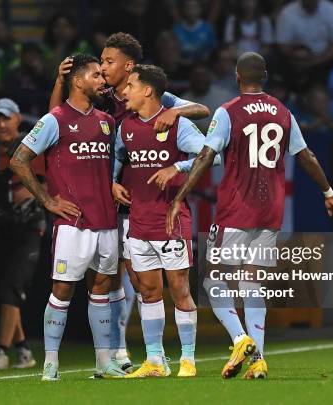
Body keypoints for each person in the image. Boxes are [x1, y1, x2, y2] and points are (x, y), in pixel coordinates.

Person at [166, 52, 333, 380]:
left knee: (214, 281)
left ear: (237, 77)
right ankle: (259, 360)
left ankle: (241, 339)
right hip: (271, 210)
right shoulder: (282, 111)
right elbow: (306, 156)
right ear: (264, 76)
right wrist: (329, 194)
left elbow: (207, 156)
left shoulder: (228, 111)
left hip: (236, 208)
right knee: (253, 283)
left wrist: (181, 194)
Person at [48, 32, 210, 373]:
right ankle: (121, 352)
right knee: (118, 278)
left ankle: (159, 355)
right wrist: (61, 81)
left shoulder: (147, 90)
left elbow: (202, 110)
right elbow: (59, 122)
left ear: (129, 65)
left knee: (138, 280)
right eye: (101, 62)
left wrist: (177, 112)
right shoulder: (102, 96)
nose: (103, 67)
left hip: (146, 203)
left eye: (108, 61)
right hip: (111, 200)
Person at [10, 54, 125, 380]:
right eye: (96, 76)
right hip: (73, 223)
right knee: (62, 290)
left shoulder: (107, 120)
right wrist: (47, 200)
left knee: (100, 289)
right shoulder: (55, 119)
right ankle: (50, 363)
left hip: (105, 220)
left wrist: (113, 184)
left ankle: (104, 363)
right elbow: (19, 160)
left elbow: (109, 165)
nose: (103, 81)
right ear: (77, 81)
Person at [112, 64, 220, 378]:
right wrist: (111, 182)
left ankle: (188, 359)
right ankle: (155, 361)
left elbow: (211, 156)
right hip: (139, 222)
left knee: (179, 289)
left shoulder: (176, 125)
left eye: (130, 85)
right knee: (148, 292)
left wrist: (178, 167)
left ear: (148, 90)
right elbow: (117, 156)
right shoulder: (126, 127)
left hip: (171, 221)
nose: (125, 90)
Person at [0, 98, 45, 370]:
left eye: (5, 118)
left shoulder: (30, 146)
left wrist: (20, 192)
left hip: (29, 226)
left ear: (18, 118)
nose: (1, 124)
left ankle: (1, 351)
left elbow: (42, 183)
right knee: (2, 291)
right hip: (0, 227)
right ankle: (23, 350)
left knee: (10, 287)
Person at [276, 0, 333, 92]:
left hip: (324, 58)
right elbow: (283, 44)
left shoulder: (332, 10)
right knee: (277, 60)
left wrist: (316, 60)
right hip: (296, 57)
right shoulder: (287, 13)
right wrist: (295, 55)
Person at [40, 13, 93, 82]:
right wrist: (60, 48)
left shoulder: (83, 46)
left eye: (65, 26)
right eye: (57, 26)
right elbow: (50, 75)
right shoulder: (44, 48)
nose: (61, 30)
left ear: (74, 30)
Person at [181, 63, 234, 131]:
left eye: (204, 75)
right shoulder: (182, 102)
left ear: (210, 76)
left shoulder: (225, 97)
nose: (200, 79)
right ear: (190, 78)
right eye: (197, 75)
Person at [4, 43, 51, 117]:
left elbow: (51, 93)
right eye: (29, 54)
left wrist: (41, 74)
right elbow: (14, 97)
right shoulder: (14, 74)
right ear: (22, 57)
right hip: (21, 116)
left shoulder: (45, 73)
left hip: (44, 116)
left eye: (35, 54)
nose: (32, 57)